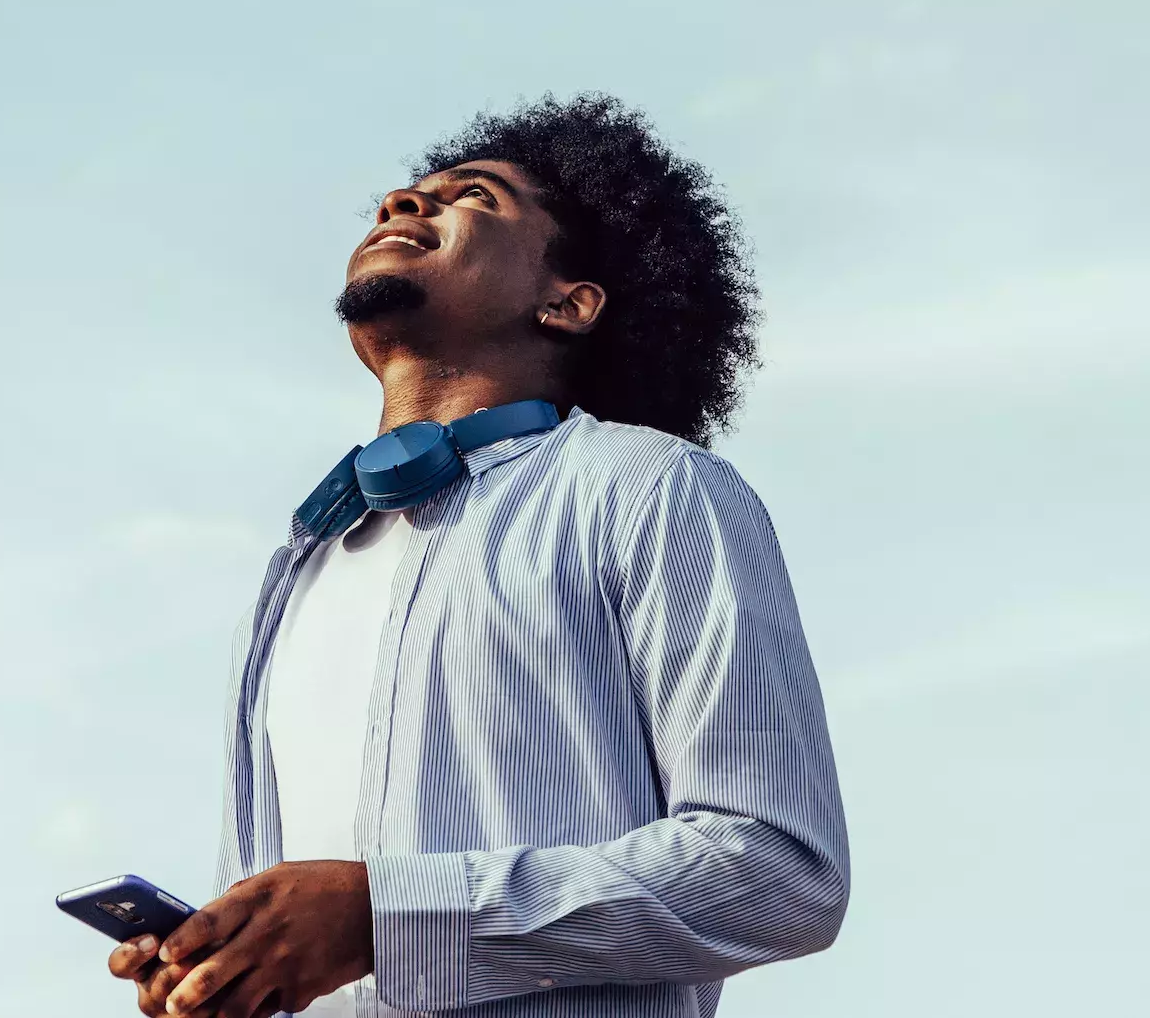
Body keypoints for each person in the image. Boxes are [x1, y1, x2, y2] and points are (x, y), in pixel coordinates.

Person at [108, 93, 850, 1018]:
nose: (401, 203)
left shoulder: (652, 486)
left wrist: (389, 916)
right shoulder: (299, 566)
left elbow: (780, 868)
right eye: (401, 194)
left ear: (567, 302)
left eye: (473, 196)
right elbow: (289, 922)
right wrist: (217, 964)